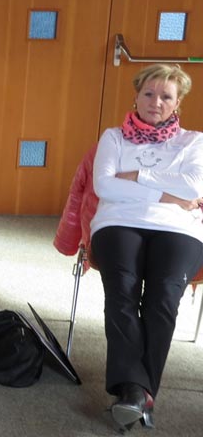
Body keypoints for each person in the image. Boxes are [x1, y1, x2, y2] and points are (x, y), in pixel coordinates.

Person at [90, 63, 203, 431]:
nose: (156, 102)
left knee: (164, 296)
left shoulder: (194, 142)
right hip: (118, 222)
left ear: (178, 102)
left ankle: (135, 392)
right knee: (122, 290)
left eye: (166, 96)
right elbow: (104, 186)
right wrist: (166, 193)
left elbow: (194, 187)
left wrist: (139, 175)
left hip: (178, 228)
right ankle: (138, 393)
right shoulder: (114, 138)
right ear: (136, 96)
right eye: (149, 94)